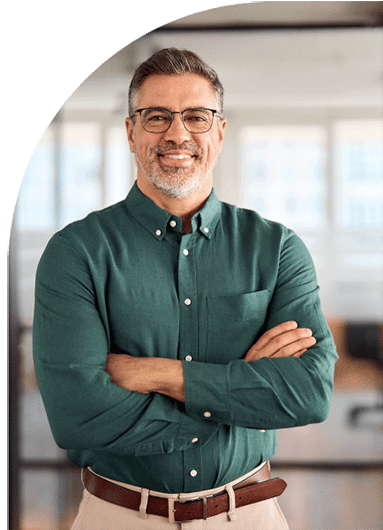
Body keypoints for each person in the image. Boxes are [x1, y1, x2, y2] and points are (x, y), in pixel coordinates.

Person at [33, 48, 338, 530]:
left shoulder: (277, 249)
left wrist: (155, 373)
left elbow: (310, 394)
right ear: (132, 133)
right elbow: (78, 415)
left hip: (249, 513)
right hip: (119, 516)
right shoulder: (77, 253)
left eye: (196, 116)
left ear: (219, 131)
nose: (177, 133)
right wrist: (237, 395)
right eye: (157, 117)